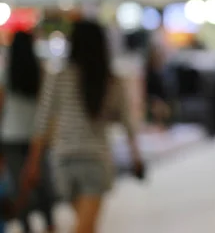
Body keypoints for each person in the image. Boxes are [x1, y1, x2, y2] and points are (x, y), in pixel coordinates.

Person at [21, 20, 143, 233]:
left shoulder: (57, 77)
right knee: (86, 226)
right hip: (96, 159)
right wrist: (136, 156)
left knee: (85, 225)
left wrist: (33, 163)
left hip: (64, 159)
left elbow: (42, 121)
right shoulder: (111, 81)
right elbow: (126, 122)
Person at [0, 31, 56, 233]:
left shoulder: (6, 73)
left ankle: (26, 227)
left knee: (19, 184)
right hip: (36, 135)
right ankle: (50, 224)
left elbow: (1, 105)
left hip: (11, 135)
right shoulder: (40, 71)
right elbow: (49, 106)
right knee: (41, 181)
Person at [145, 45, 171, 127]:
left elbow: (167, 93)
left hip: (163, 102)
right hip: (150, 102)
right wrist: (153, 101)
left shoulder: (165, 74)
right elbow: (145, 92)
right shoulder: (147, 74)